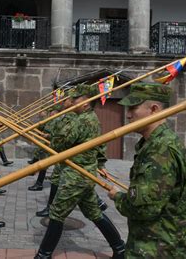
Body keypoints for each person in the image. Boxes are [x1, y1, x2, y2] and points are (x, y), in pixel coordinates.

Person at [107, 82, 186, 258]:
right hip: (161, 241)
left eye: (133, 108)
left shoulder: (161, 149)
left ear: (154, 109)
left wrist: (118, 197)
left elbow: (144, 209)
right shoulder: (155, 143)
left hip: (158, 248)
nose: (128, 115)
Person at [35, 85, 125, 259]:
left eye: (73, 99)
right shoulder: (89, 118)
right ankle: (120, 248)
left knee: (56, 214)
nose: (69, 101)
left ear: (85, 103)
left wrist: (64, 115)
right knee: (94, 212)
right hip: (83, 173)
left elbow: (59, 143)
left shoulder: (81, 121)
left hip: (76, 176)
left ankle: (43, 256)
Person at [28, 106, 60, 191]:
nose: (51, 113)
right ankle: (38, 180)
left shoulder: (58, 121)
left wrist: (48, 136)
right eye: (51, 112)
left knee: (45, 165)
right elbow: (42, 128)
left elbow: (58, 134)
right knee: (43, 162)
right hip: (46, 144)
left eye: (53, 112)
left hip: (51, 145)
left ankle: (39, 184)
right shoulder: (50, 120)